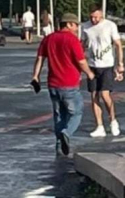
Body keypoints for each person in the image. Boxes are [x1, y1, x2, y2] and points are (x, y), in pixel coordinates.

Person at [31, 13, 95, 156]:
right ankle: (66, 133)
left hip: (53, 84)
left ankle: (60, 146)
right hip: (69, 83)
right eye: (76, 25)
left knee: (59, 115)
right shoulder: (72, 40)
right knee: (76, 113)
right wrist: (90, 74)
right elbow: (81, 61)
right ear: (69, 24)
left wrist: (35, 76)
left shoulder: (49, 39)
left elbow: (40, 58)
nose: (77, 28)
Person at [81, 4, 124, 138]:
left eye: (96, 17)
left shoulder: (110, 25)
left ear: (101, 15)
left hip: (107, 65)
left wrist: (120, 64)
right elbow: (82, 44)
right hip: (93, 65)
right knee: (94, 96)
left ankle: (113, 120)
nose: (94, 20)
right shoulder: (85, 27)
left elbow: (118, 45)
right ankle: (99, 126)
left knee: (105, 95)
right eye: (92, 17)